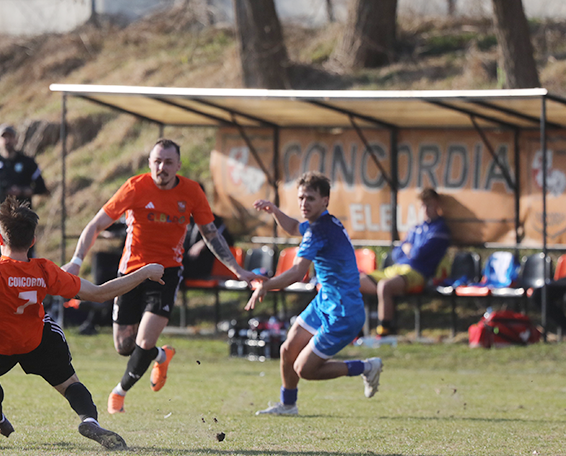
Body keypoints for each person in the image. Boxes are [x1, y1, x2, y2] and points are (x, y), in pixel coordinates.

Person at [0, 196, 165, 449]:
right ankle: (89, 420)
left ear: (0, 240)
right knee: (69, 383)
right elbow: (100, 293)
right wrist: (145, 272)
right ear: (32, 241)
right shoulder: (44, 270)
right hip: (34, 342)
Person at [63, 139, 257, 414]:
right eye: (157, 161)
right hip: (131, 272)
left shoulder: (191, 192)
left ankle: (119, 392)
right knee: (123, 345)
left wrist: (238, 270)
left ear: (178, 165)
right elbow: (96, 224)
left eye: (168, 162)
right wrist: (76, 260)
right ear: (150, 163)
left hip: (167, 273)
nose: (161, 167)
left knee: (144, 340)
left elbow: (211, 234)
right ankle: (161, 356)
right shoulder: (135, 187)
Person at [245, 172, 382, 416]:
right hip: (325, 302)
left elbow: (298, 273)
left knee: (304, 369)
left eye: (310, 198)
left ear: (325, 201)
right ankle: (288, 405)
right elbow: (293, 227)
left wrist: (266, 285)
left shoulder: (319, 231)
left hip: (343, 313)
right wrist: (275, 210)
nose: (303, 204)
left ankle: (365, 367)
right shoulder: (321, 222)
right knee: (287, 350)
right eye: (300, 198)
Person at [359, 188, 450, 336]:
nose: (426, 209)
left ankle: (385, 329)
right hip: (398, 268)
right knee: (357, 281)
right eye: (423, 206)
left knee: (385, 286)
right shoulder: (416, 228)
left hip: (418, 273)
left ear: (437, 205)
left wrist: (408, 248)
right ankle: (357, 329)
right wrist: (409, 249)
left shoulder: (440, 230)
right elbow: (397, 253)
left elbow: (419, 254)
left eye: (430, 205)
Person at [0, 124, 47, 241]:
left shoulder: (27, 162)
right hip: (1, 218)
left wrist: (22, 191)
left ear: (16, 139)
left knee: (25, 252)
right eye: (3, 137)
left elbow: (41, 188)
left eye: (10, 137)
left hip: (24, 218)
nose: (7, 140)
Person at [182, 183, 235, 280]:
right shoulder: (185, 219)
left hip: (201, 264)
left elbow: (225, 239)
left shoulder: (213, 219)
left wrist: (203, 243)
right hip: (184, 262)